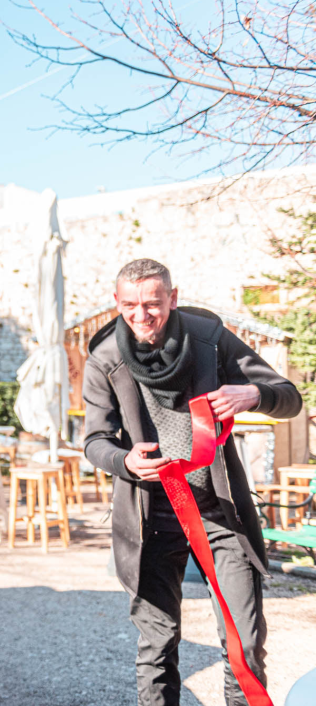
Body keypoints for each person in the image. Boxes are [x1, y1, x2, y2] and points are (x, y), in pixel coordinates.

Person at [82, 258, 302, 706]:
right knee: (157, 647)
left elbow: (291, 399)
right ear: (116, 302)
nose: (141, 316)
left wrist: (255, 394)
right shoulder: (104, 359)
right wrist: (124, 460)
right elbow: (94, 441)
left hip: (222, 515)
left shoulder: (211, 341)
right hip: (150, 519)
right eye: (129, 306)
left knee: (244, 642)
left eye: (152, 304)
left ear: (173, 298)